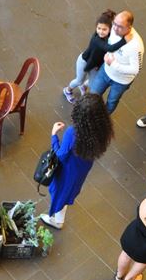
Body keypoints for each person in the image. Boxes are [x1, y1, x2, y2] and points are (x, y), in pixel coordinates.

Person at [40, 94, 114, 229]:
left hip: (67, 169)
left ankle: (57, 220)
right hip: (83, 167)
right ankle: (59, 218)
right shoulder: (103, 128)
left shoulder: (72, 133)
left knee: (60, 192)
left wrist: (54, 136)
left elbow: (60, 155)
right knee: (68, 191)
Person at [62, 10, 130, 104]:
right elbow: (109, 48)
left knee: (93, 84)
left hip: (94, 64)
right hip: (85, 61)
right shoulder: (96, 39)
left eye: (104, 29)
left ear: (110, 29)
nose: (100, 32)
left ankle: (83, 86)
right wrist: (124, 40)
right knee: (79, 80)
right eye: (99, 28)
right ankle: (67, 90)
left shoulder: (110, 36)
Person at [88, 10, 145, 114]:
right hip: (105, 71)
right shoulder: (113, 30)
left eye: (120, 26)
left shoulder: (136, 45)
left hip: (121, 81)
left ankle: (103, 120)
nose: (114, 28)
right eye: (114, 24)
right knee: (93, 95)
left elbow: (135, 69)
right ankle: (90, 115)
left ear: (129, 27)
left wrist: (114, 64)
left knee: (111, 102)